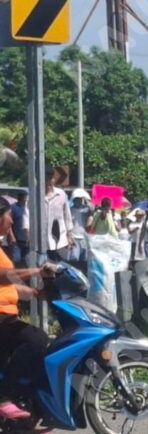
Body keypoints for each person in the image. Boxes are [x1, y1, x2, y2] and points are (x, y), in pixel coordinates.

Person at [0, 197, 56, 421]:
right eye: (8, 217)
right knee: (36, 339)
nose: (12, 222)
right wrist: (36, 271)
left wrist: (36, 294)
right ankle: (5, 396)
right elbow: (3, 276)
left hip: (6, 316)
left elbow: (10, 286)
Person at [44, 171, 75, 263]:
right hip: (41, 239)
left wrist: (69, 235)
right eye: (46, 179)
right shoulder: (35, 195)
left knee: (59, 266)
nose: (48, 181)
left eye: (51, 178)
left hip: (59, 238)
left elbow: (67, 215)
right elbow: (28, 216)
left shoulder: (61, 194)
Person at [6, 193, 27, 266]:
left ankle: (23, 276)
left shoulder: (29, 208)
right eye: (24, 196)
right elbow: (9, 223)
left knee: (25, 260)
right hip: (16, 240)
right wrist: (11, 236)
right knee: (16, 259)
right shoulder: (13, 208)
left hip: (27, 240)